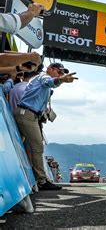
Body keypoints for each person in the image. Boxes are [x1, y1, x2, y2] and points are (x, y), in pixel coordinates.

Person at [14, 62, 78, 191]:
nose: (61, 74)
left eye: (62, 73)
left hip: (28, 114)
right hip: (27, 114)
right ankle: (42, 181)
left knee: (22, 146)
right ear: (50, 69)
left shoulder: (43, 82)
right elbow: (49, 82)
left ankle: (31, 178)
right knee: (37, 147)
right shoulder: (43, 76)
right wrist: (61, 80)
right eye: (59, 72)